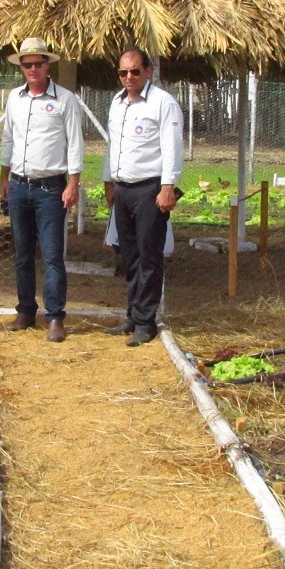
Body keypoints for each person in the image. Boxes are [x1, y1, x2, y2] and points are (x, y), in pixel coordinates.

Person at [0, 37, 85, 343]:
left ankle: (55, 317)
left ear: (49, 64)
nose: (33, 68)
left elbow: (75, 142)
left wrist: (73, 182)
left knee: (52, 256)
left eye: (38, 63)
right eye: (27, 64)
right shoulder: (14, 98)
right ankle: (25, 311)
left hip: (51, 188)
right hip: (20, 185)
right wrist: (3, 176)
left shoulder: (65, 99)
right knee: (22, 254)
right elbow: (8, 138)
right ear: (21, 67)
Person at [101, 48, 183, 346]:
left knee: (149, 256)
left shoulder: (163, 103)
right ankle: (133, 315)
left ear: (148, 71)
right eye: (123, 72)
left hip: (150, 189)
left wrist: (168, 186)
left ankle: (146, 322)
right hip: (123, 189)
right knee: (129, 255)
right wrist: (108, 180)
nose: (129, 77)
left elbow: (172, 146)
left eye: (135, 71)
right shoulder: (117, 103)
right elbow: (113, 145)